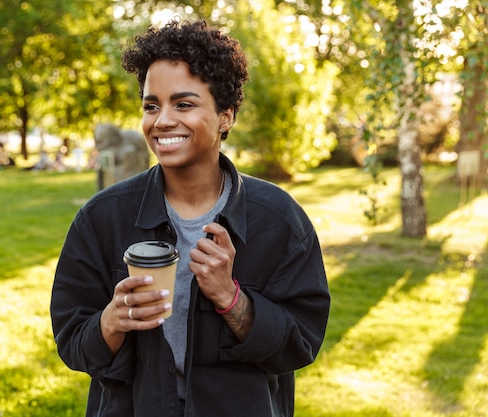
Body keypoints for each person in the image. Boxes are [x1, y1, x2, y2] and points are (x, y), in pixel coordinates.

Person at [50, 20, 330, 417]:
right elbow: (73, 344)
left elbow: (300, 343)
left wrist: (230, 299)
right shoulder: (102, 218)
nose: (162, 120)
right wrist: (113, 320)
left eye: (183, 104)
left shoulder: (280, 221)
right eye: (151, 106)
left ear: (226, 116)